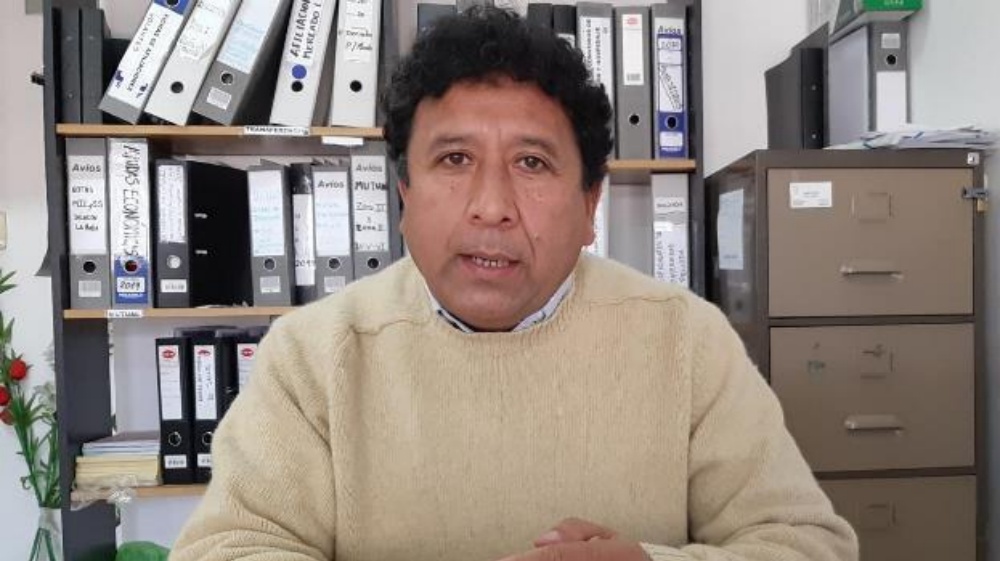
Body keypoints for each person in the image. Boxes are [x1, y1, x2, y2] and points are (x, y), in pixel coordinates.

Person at [170, 7, 857, 561]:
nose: (491, 206)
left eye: (531, 162)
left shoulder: (688, 340)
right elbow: (228, 548)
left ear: (589, 205)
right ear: (404, 195)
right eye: (454, 158)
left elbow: (805, 544)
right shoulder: (311, 356)